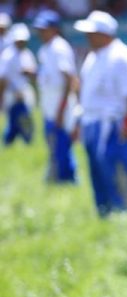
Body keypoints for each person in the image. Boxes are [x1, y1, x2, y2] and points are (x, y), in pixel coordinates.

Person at [74, 10, 127, 217]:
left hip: (113, 123)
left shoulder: (122, 57)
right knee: (98, 172)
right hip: (92, 122)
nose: (88, 36)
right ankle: (104, 212)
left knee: (117, 171)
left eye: (92, 32)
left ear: (104, 33)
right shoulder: (94, 57)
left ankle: (125, 212)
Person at [33, 9, 78, 183]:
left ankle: (67, 181)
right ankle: (59, 180)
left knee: (61, 147)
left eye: (44, 29)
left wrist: (61, 109)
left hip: (60, 108)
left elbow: (70, 80)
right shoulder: (46, 49)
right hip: (50, 107)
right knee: (54, 146)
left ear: (55, 29)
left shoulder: (59, 47)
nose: (41, 33)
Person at [0, 23, 36, 147]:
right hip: (12, 93)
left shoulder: (27, 54)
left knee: (20, 120)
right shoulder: (8, 55)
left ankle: (14, 143)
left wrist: (29, 72)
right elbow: (3, 78)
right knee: (17, 120)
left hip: (24, 92)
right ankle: (12, 142)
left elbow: (33, 73)